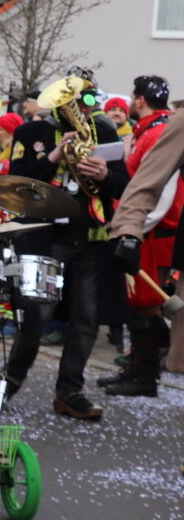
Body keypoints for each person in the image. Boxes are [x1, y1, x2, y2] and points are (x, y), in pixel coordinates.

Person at [1, 71, 127, 420]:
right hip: (46, 239)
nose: (83, 108)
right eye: (76, 102)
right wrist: (54, 156)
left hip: (90, 238)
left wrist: (105, 175)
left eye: (88, 101)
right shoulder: (31, 132)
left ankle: (70, 391)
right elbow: (17, 182)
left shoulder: (105, 132)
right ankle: (8, 384)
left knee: (87, 319)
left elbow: (123, 182)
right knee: (35, 318)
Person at [105, 76, 176, 397]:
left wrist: (133, 230)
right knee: (137, 302)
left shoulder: (158, 133)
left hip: (151, 229)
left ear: (140, 100)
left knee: (146, 302)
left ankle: (145, 376)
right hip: (142, 226)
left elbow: (160, 188)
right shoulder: (147, 131)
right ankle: (137, 368)